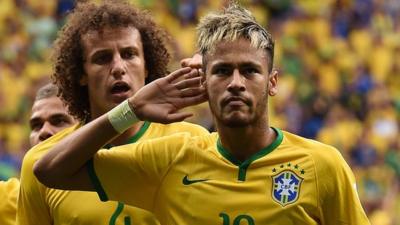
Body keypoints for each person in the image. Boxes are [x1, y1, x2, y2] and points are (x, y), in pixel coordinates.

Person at [34, 4, 370, 225]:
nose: (235, 83)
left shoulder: (322, 166)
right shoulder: (171, 161)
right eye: (222, 71)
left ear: (272, 82)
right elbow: (49, 171)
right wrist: (131, 109)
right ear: (204, 81)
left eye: (250, 71)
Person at [16, 1, 208, 225]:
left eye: (129, 54)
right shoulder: (43, 160)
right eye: (102, 58)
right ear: (81, 74)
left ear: (146, 66)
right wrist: (131, 111)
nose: (118, 67)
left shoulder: (193, 142)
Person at [0, 83, 76, 225]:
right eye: (36, 125)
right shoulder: (6, 199)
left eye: (59, 121)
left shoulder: (109, 192)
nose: (44, 131)